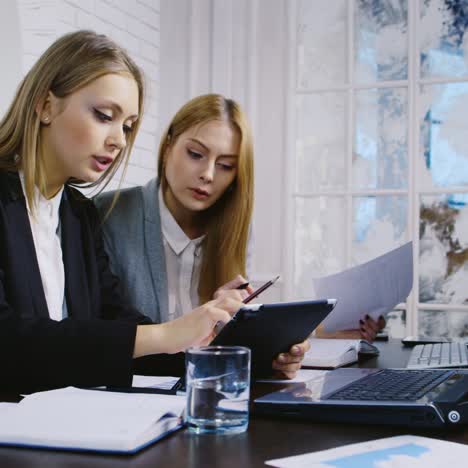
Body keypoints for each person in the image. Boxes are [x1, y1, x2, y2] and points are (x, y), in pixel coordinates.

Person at [0, 31, 243, 394]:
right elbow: (10, 340)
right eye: (104, 116)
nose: (119, 140)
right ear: (45, 105)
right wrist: (165, 333)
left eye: (127, 126)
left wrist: (215, 335)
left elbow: (116, 326)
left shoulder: (78, 215)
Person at [95, 94, 309, 379]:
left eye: (226, 165)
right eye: (195, 154)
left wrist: (267, 352)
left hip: (207, 393)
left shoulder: (236, 232)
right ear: (168, 146)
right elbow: (102, 333)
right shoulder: (107, 213)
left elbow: (221, 350)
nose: (208, 174)